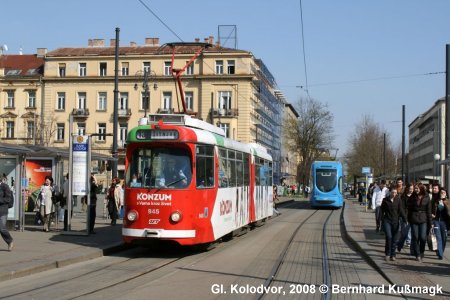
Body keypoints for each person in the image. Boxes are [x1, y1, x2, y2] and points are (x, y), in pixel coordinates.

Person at [407, 183, 432, 262]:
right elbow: (409, 209)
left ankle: (422, 251)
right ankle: (417, 254)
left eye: (417, 188)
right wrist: (408, 219)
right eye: (415, 188)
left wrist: (430, 222)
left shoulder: (426, 197)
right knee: (415, 236)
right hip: (414, 218)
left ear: (421, 189)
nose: (416, 190)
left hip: (423, 218)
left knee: (423, 237)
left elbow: (429, 210)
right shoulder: (412, 197)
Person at [381, 186, 406, 261]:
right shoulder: (385, 200)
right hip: (387, 220)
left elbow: (401, 210)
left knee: (395, 239)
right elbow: (382, 211)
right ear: (390, 192)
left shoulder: (398, 200)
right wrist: (381, 220)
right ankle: (387, 254)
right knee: (389, 237)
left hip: (395, 221)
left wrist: (405, 219)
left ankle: (393, 254)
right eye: (392, 192)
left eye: (395, 193)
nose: (394, 194)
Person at [431, 188, 450, 260]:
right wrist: (432, 215)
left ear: (446, 193)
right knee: (438, 238)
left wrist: (444, 202)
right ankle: (440, 254)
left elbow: (448, 211)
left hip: (445, 222)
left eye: (444, 192)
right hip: (436, 221)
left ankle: (441, 250)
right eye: (441, 192)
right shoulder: (436, 201)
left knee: (444, 238)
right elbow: (432, 209)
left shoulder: (448, 201)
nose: (442, 194)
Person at [397, 183, 414, 252]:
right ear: (407, 189)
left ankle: (408, 241)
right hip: (404, 216)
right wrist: (404, 217)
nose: (411, 190)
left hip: (412, 216)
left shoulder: (414, 196)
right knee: (404, 231)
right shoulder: (403, 197)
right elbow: (402, 208)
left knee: (410, 230)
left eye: (412, 189)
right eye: (410, 189)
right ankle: (401, 243)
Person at [0, 177, 14, 251]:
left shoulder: (5, 187)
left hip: (2, 211)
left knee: (1, 228)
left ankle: (10, 241)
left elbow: (8, 199)